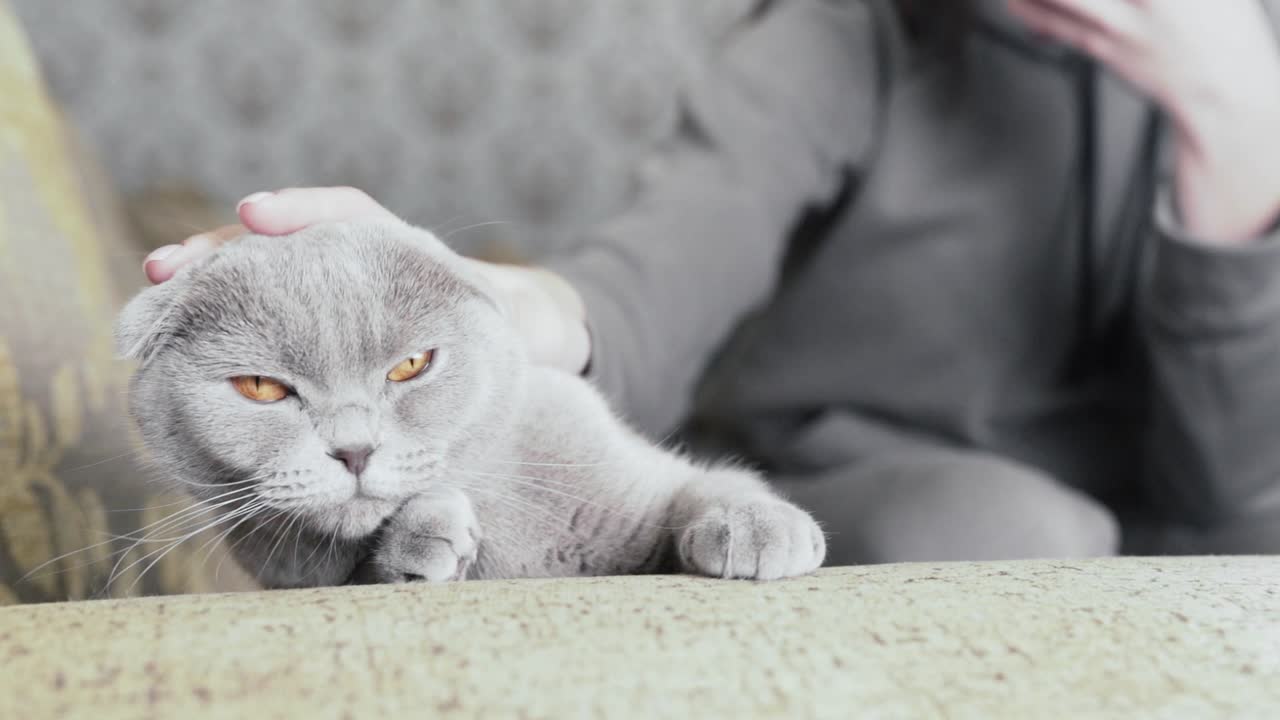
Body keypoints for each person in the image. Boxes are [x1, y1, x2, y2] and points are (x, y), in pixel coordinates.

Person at [144, 0, 1280, 565]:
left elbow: (1239, 519)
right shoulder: (845, 35)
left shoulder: (1248, 50)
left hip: (1156, 532)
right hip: (851, 502)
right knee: (1010, 524)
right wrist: (485, 305)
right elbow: (640, 298)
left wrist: (1236, 123)